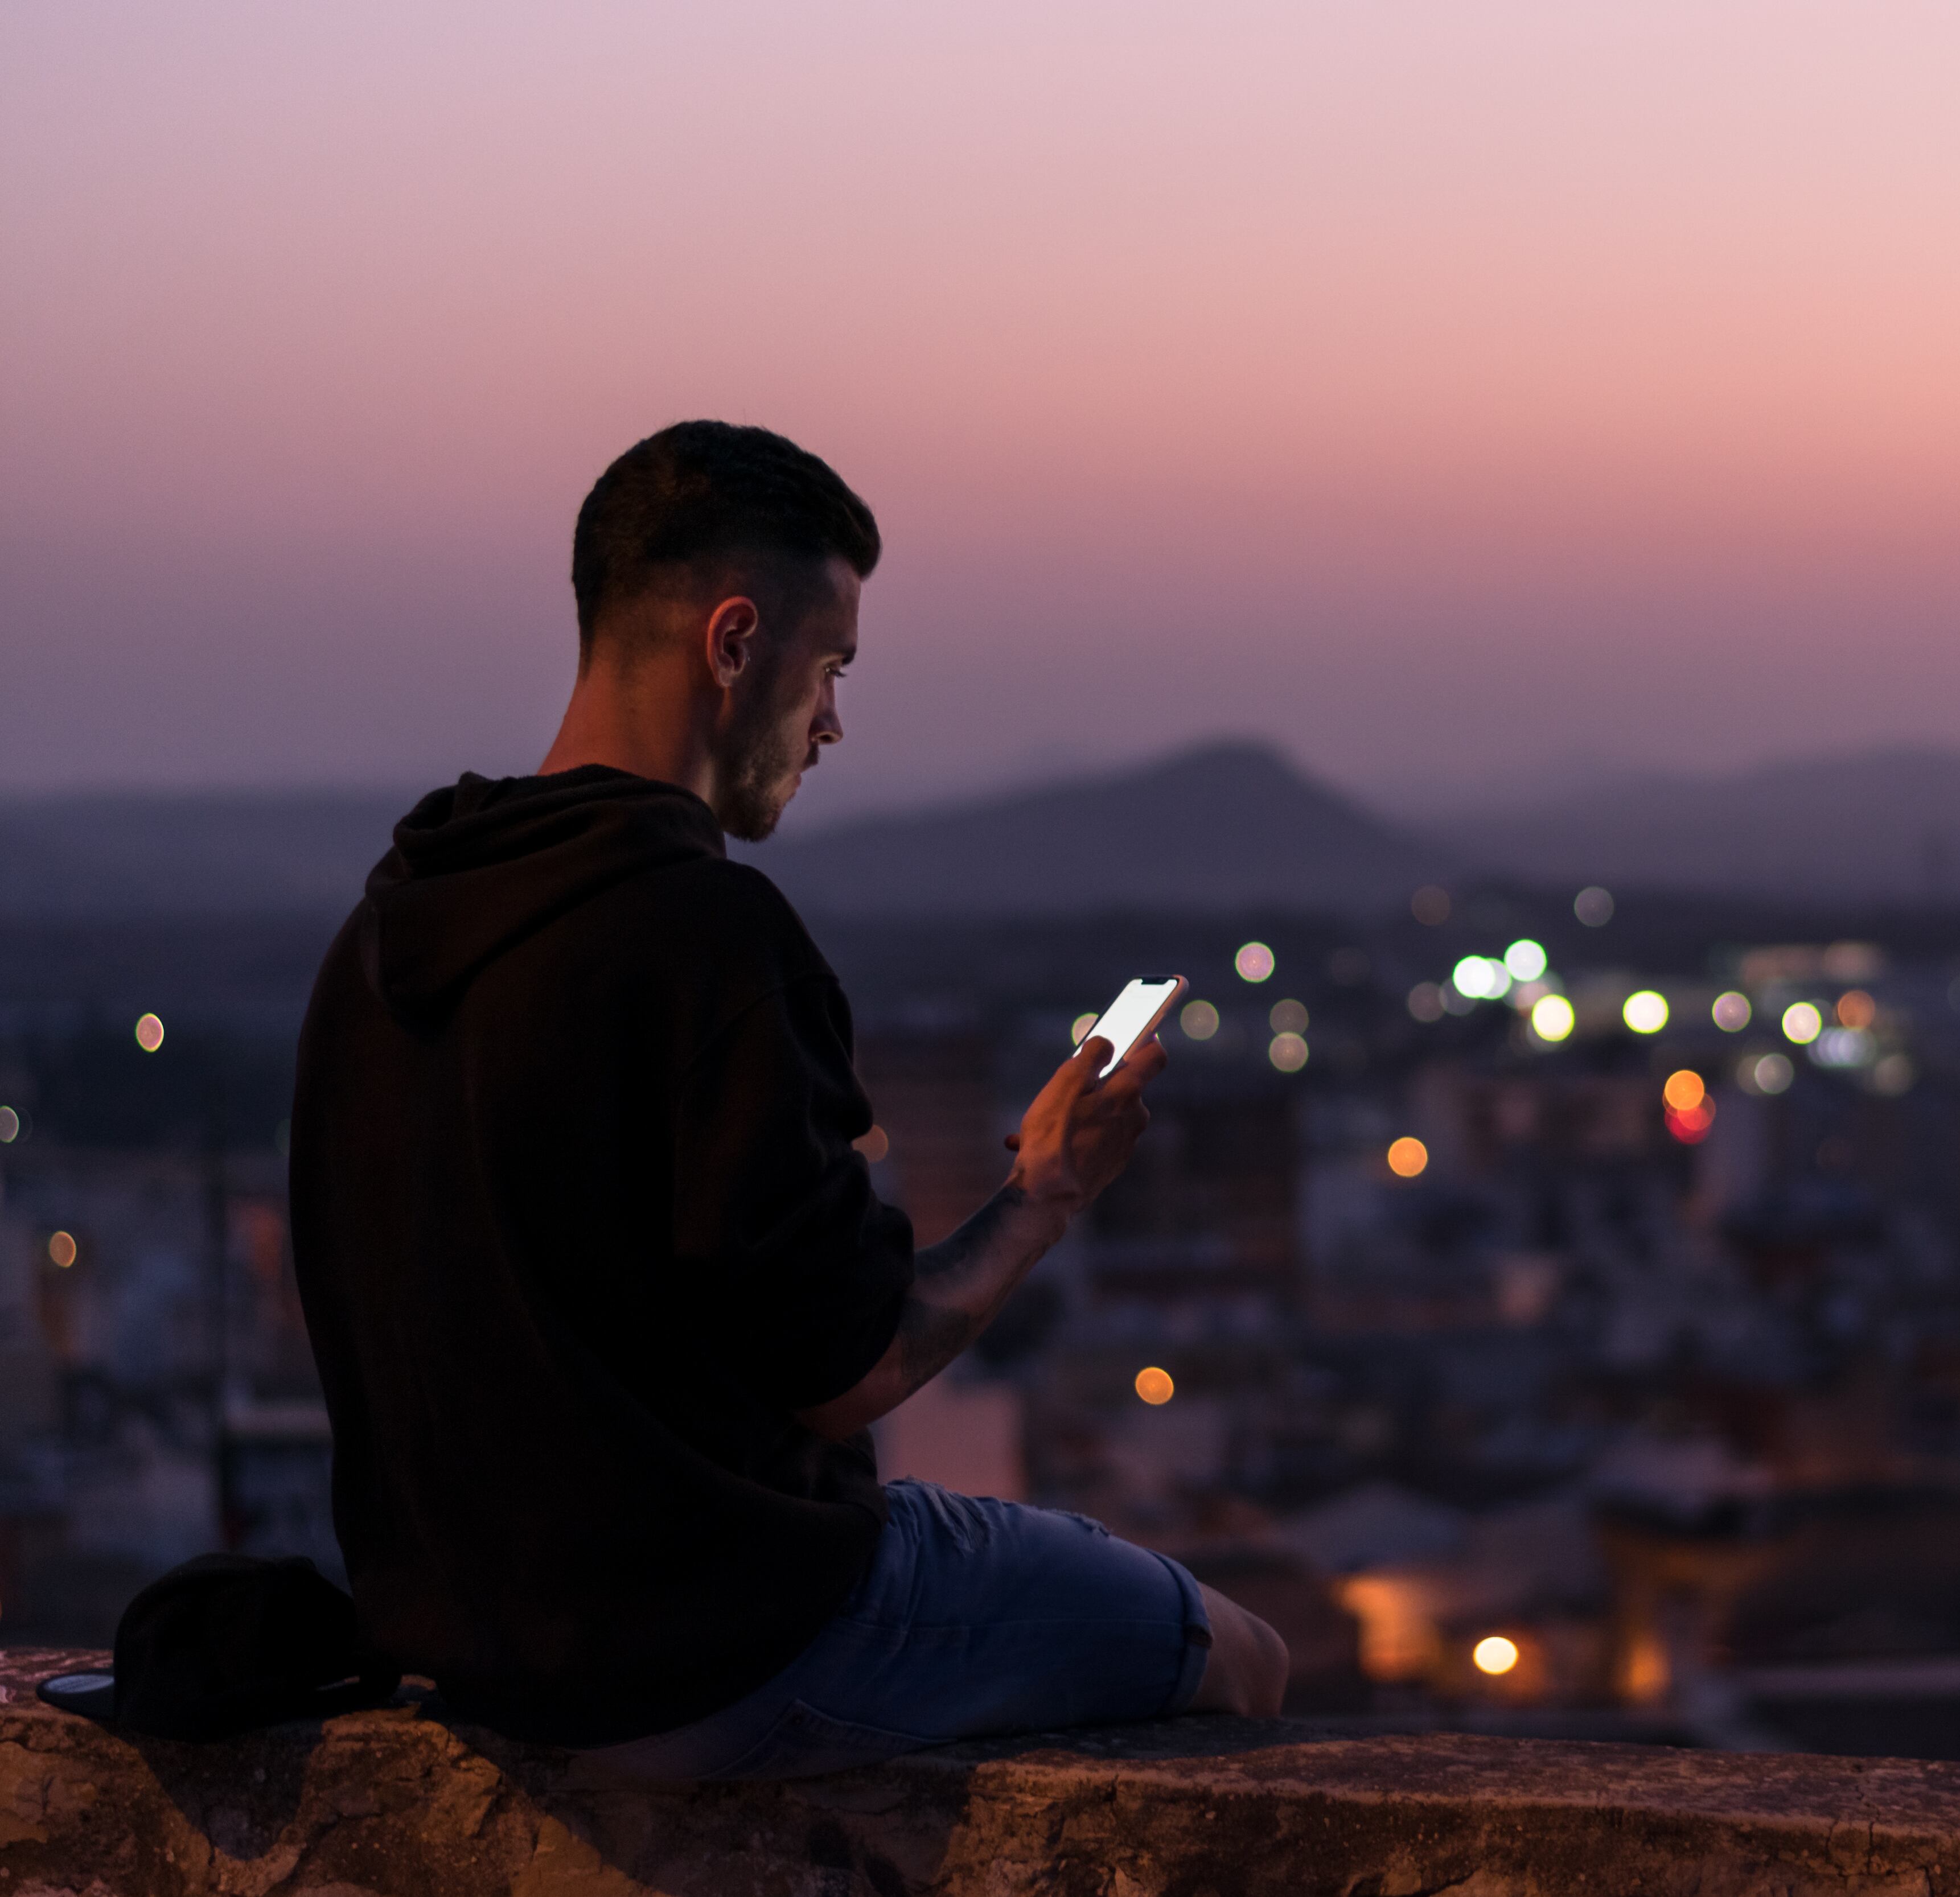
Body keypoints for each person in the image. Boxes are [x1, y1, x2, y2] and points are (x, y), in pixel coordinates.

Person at [287, 420, 1286, 1779]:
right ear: (735, 640)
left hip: (471, 1654)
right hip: (714, 1640)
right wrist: (1043, 1193)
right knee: (1238, 1652)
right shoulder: (704, 932)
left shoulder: (388, 927)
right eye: (828, 669)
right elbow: (846, 1371)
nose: (830, 723)